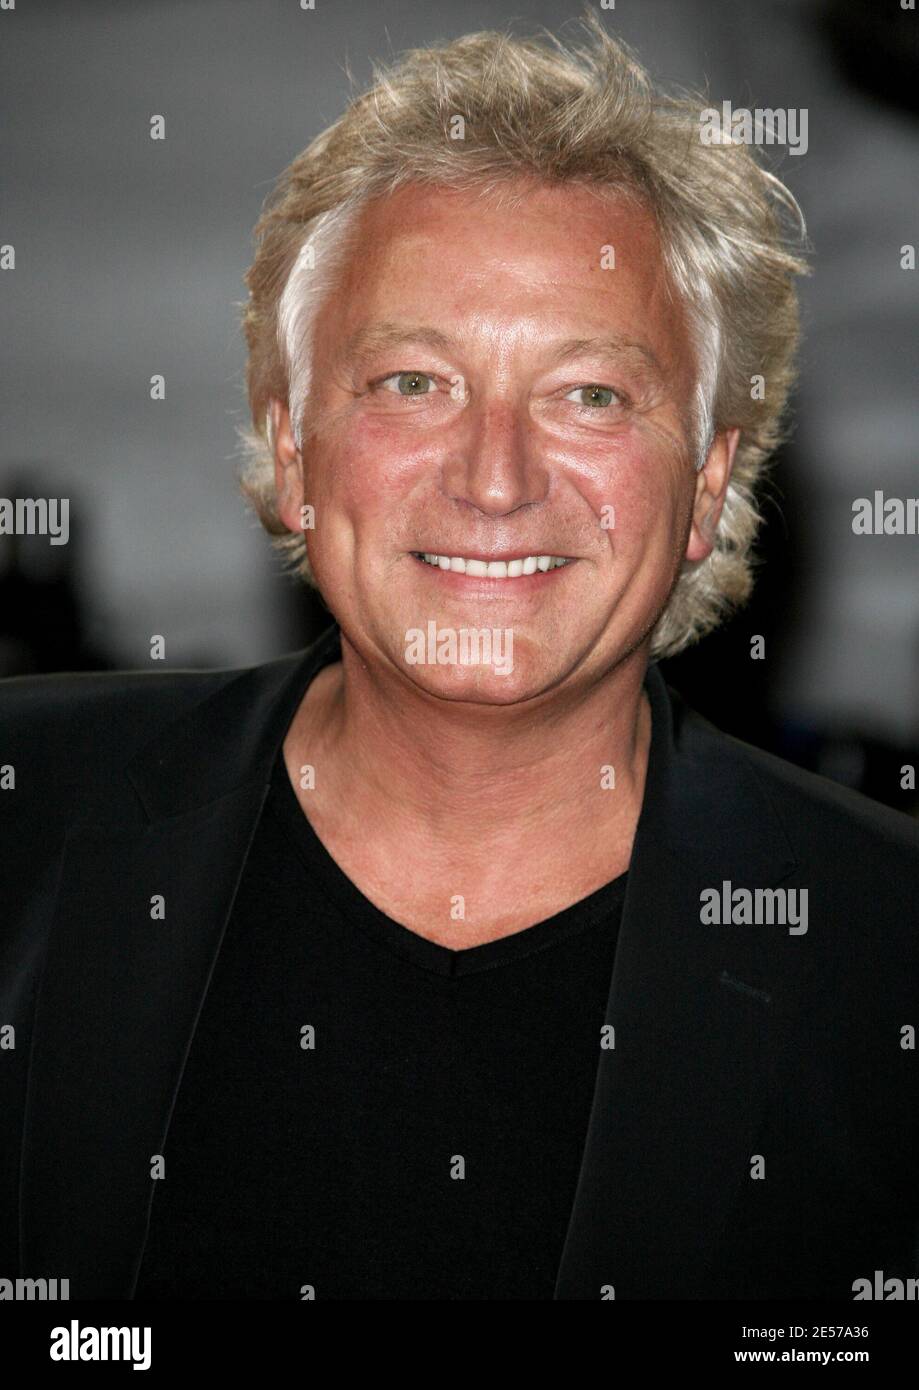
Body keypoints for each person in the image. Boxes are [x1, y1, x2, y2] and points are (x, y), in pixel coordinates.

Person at [2, 17, 917, 1301]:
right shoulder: (22, 817)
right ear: (293, 449)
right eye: (413, 383)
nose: (495, 479)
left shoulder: (885, 949)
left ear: (707, 486)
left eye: (590, 394)